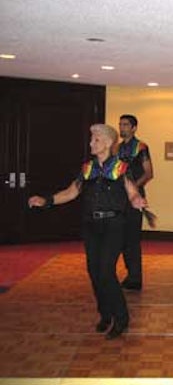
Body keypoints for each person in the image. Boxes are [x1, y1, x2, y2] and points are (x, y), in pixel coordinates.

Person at [28, 124, 146, 339]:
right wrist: (47, 200)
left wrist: (137, 199)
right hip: (91, 226)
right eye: (92, 139)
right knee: (94, 272)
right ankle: (105, 314)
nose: (91, 143)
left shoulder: (121, 168)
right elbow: (71, 192)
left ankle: (121, 318)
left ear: (109, 143)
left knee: (106, 272)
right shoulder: (87, 169)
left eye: (96, 139)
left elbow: (132, 191)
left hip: (114, 226)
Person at [117, 114, 153, 291]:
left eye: (125, 125)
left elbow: (148, 173)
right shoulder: (115, 148)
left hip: (135, 197)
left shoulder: (141, 147)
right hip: (118, 198)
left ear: (134, 128)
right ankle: (130, 274)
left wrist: (132, 187)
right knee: (122, 238)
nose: (122, 127)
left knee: (132, 238)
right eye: (120, 124)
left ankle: (136, 278)